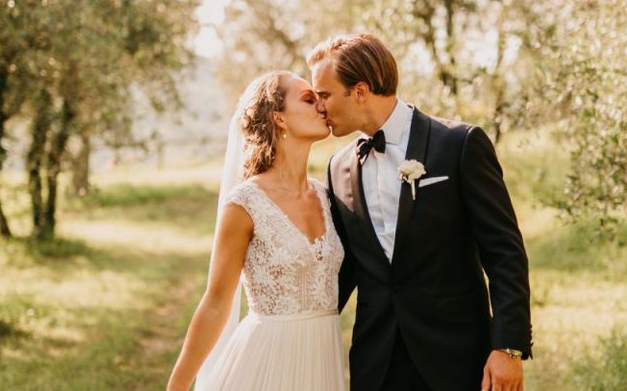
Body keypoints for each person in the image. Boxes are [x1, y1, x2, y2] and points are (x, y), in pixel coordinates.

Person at [310, 34, 533, 391]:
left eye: (324, 95)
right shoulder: (338, 168)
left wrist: (508, 346)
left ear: (361, 91)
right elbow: (345, 265)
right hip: (377, 360)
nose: (318, 106)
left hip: (457, 355)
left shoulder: (460, 144)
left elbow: (504, 252)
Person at [165, 71, 346, 391]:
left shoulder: (326, 196)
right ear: (279, 118)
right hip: (265, 365)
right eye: (308, 99)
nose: (321, 106)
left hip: (321, 364)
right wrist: (177, 386)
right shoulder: (246, 203)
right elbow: (216, 303)